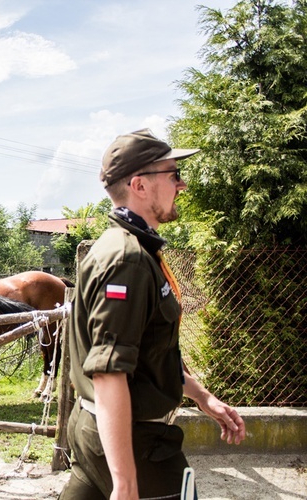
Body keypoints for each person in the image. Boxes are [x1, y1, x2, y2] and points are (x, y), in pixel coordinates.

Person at [60, 129, 246, 500]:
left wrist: (201, 396)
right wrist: (126, 483)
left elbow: (148, 352)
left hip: (100, 431)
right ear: (140, 185)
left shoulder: (131, 249)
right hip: (135, 442)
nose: (182, 185)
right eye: (173, 174)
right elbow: (110, 371)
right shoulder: (127, 259)